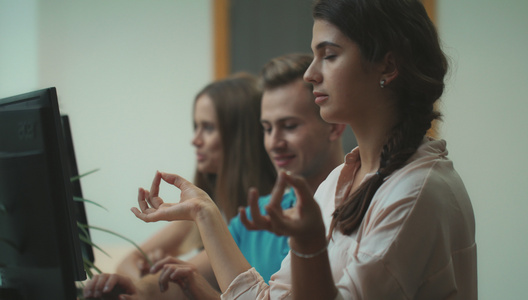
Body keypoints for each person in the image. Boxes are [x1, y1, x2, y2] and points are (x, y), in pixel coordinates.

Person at [122, 0, 477, 299]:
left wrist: (308, 242)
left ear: (387, 64)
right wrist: (203, 211)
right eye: (313, 56)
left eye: (330, 55)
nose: (311, 74)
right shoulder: (339, 182)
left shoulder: (417, 191)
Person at [82, 53, 347, 299]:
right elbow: (181, 279)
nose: (274, 142)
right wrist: (136, 289)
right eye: (267, 128)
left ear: (334, 125)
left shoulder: (353, 210)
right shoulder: (252, 218)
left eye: (289, 126)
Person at [116, 72, 277, 281]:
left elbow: (171, 283)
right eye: (196, 126)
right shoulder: (206, 207)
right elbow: (127, 264)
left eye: (208, 128)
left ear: (240, 136)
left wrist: (153, 282)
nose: (195, 140)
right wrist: (148, 277)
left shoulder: (267, 216)